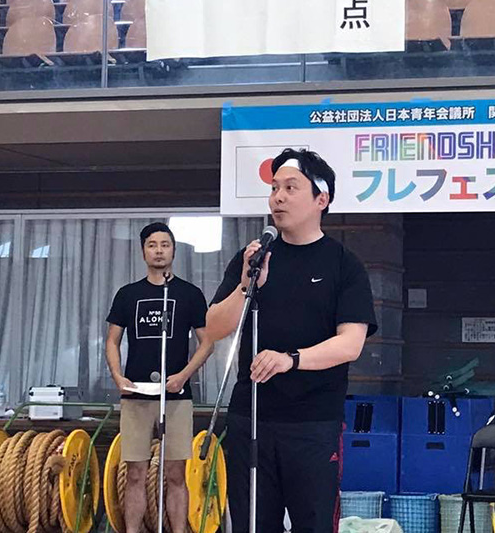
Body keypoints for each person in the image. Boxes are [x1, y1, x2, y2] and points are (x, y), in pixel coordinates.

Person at [206, 148, 378, 533]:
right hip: (251, 418)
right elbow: (213, 327)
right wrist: (246, 286)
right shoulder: (253, 258)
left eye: (290, 188)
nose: (278, 198)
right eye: (274, 188)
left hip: (313, 423)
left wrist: (291, 359)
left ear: (321, 199)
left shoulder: (344, 264)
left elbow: (350, 344)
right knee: (251, 523)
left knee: (313, 523)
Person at [105, 222, 214, 533]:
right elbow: (112, 341)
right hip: (136, 395)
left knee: (177, 474)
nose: (159, 251)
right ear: (143, 251)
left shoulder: (189, 294)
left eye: (165, 245)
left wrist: (184, 375)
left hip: (176, 397)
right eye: (152, 245)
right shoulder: (128, 295)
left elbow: (207, 343)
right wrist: (117, 376)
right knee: (135, 473)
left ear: (173, 250)